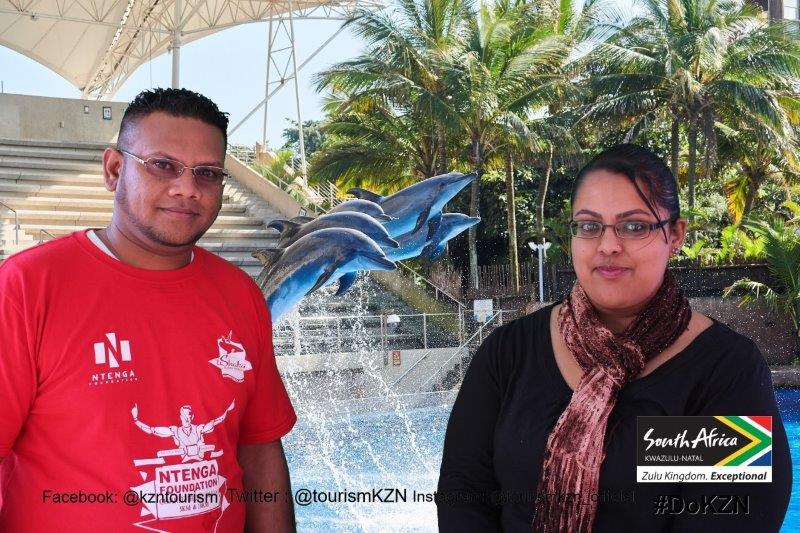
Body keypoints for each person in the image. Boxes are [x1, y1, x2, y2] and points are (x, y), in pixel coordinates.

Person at [436, 144, 792, 532]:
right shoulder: (508, 353)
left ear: (675, 234)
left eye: (634, 226)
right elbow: (464, 490)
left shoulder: (725, 371)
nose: (608, 245)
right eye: (590, 226)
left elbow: (733, 513)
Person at [0, 88, 297, 532]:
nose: (187, 188)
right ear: (114, 170)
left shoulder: (240, 295)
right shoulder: (27, 287)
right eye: (163, 165)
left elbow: (259, 449)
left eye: (207, 173)